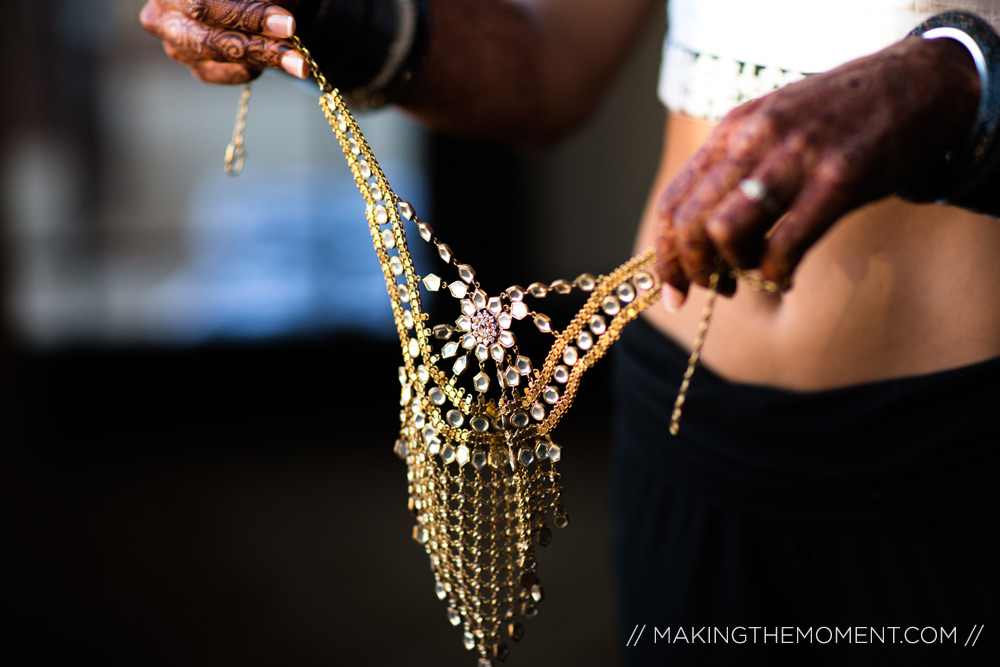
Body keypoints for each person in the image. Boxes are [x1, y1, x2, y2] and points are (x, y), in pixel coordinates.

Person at [140, 1, 1000, 664]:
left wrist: (954, 79)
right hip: (687, 421)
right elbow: (546, 62)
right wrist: (330, 18)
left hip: (959, 450)